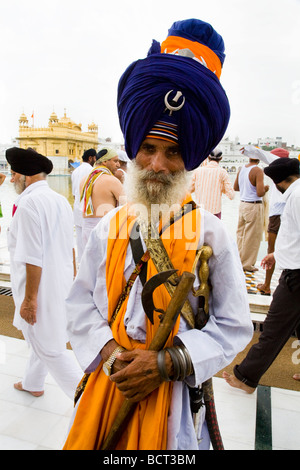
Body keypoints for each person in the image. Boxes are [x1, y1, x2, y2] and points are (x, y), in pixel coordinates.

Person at [63, 18, 253, 451]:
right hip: (110, 385)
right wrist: (112, 355)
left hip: (173, 400)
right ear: (134, 151)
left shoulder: (212, 233)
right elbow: (79, 304)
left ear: (190, 160)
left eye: (172, 152)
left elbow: (234, 326)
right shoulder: (110, 228)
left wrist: (165, 363)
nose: (157, 165)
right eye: (148, 148)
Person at [5, 147, 82, 399]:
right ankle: (32, 383)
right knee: (45, 338)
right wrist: (72, 282)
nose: (12, 179)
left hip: (39, 289)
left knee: (50, 348)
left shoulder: (27, 204)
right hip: (59, 283)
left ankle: (87, 401)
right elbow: (71, 247)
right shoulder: (59, 199)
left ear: (26, 176)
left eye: (15, 173)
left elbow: (31, 257)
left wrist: (29, 300)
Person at [223, 157, 300, 392]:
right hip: (293, 267)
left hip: (296, 277)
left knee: (274, 331)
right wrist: (277, 254)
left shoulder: (295, 196)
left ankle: (245, 377)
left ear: (280, 182)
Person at [241, 146, 289, 294]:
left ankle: (267, 285)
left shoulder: (279, 168)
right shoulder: (291, 174)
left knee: (271, 249)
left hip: (275, 214)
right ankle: (283, 283)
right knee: (288, 248)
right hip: (286, 213)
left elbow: (264, 155)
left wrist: (249, 150)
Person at [79, 147, 124, 245]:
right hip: (105, 230)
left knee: (89, 260)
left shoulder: (84, 180)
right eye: (115, 161)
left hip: (87, 229)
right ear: (104, 161)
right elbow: (128, 206)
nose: (118, 165)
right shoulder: (112, 180)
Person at [234, 154, 269, 272]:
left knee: (241, 235)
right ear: (258, 158)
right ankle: (247, 264)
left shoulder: (241, 169)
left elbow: (236, 188)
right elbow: (260, 193)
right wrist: (266, 188)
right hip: (253, 206)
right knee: (252, 237)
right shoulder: (257, 170)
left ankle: (238, 260)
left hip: (243, 204)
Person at [191, 147, 234, 218]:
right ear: (221, 158)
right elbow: (231, 196)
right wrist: (221, 188)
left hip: (200, 211)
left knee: (199, 229)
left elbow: (189, 190)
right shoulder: (222, 172)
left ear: (208, 157)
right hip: (215, 213)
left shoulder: (198, 171)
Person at [71, 148, 97, 263]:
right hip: (88, 210)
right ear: (91, 158)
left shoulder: (76, 171)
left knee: (80, 242)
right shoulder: (92, 171)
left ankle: (81, 266)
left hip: (77, 209)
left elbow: (74, 194)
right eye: (95, 158)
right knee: (90, 241)